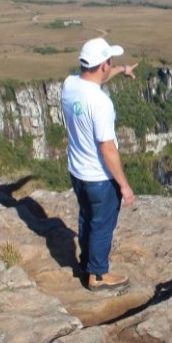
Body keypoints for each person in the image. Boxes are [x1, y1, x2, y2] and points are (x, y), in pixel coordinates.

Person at [61, 37, 138, 290]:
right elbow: (107, 148)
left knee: (87, 218)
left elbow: (97, 77)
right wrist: (124, 186)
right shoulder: (101, 104)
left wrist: (122, 70)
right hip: (99, 177)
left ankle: (87, 263)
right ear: (103, 64)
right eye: (110, 61)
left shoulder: (70, 84)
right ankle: (98, 276)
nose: (110, 65)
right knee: (102, 225)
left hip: (77, 172)